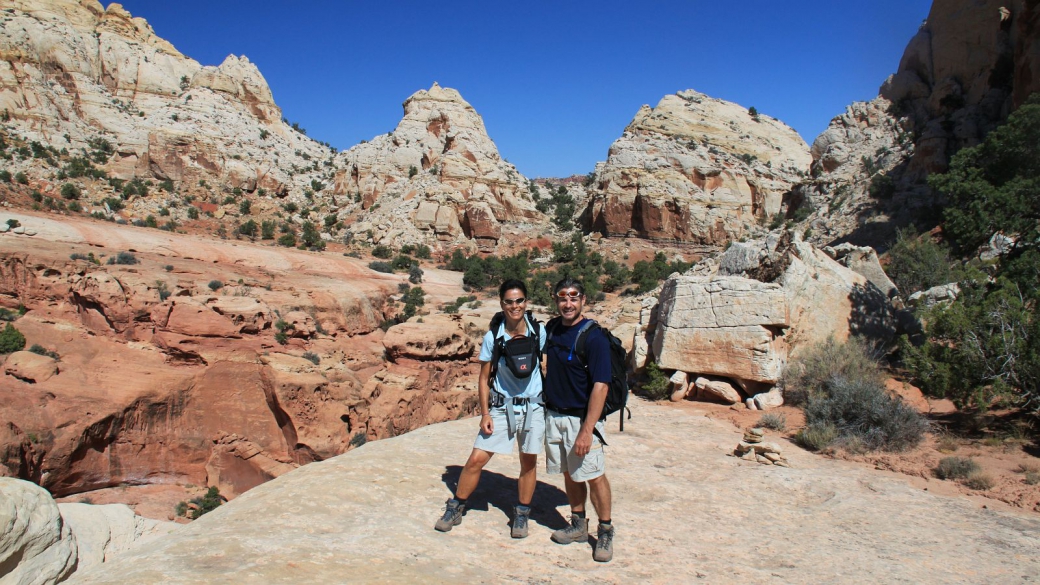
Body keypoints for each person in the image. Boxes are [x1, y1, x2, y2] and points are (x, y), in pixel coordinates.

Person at [435, 279, 546, 538]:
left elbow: (547, 367)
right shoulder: (493, 337)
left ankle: (521, 514)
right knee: (476, 459)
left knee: (528, 462)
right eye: (509, 301)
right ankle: (457, 505)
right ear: (502, 304)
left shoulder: (538, 332)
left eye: (519, 301)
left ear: (526, 302)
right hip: (502, 408)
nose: (515, 306)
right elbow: (484, 378)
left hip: (533, 408)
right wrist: (485, 413)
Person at [543, 277, 615, 562]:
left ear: (583, 300)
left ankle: (606, 530)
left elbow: (601, 386)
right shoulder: (552, 329)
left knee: (594, 475)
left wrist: (587, 430)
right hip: (555, 415)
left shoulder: (594, 337)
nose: (568, 303)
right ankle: (578, 524)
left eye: (574, 297)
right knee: (569, 473)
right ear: (555, 299)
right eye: (563, 297)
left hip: (581, 420)